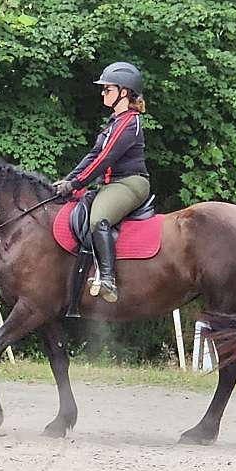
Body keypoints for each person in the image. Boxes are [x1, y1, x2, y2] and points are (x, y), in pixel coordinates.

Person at [54, 61, 150, 303]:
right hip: (112, 184)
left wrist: (76, 184)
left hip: (131, 183)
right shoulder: (114, 123)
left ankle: (108, 278)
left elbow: (105, 159)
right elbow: (93, 155)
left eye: (108, 89)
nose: (103, 93)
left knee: (99, 218)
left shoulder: (130, 122)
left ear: (124, 92)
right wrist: (67, 180)